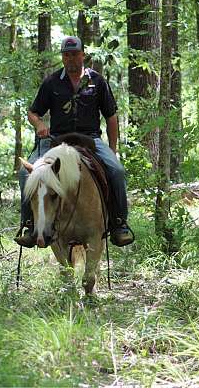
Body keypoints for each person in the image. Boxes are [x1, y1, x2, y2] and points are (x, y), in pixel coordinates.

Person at [15, 36, 134, 248]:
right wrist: (39, 125)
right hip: (55, 140)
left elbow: (111, 116)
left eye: (75, 54)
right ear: (62, 57)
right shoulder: (51, 83)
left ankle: (119, 223)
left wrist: (113, 150)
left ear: (83, 55)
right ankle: (29, 225)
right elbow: (33, 112)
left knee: (116, 171)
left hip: (90, 140)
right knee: (26, 173)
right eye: (66, 55)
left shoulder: (97, 82)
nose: (71, 58)